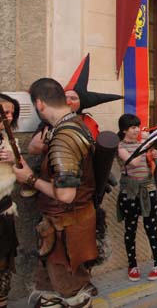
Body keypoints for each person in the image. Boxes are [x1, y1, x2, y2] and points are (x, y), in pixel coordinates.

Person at [13, 78, 97, 308]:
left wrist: (29, 178)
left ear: (39, 104)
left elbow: (66, 194)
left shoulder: (64, 137)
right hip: (60, 227)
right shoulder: (72, 125)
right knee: (50, 295)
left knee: (73, 295)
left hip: (66, 229)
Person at [116, 114, 157, 282]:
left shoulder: (143, 144)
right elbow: (134, 162)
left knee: (151, 228)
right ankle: (132, 265)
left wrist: (155, 157)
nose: (137, 130)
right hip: (129, 192)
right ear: (124, 130)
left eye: (138, 126)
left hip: (148, 189)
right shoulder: (120, 147)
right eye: (133, 127)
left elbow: (151, 165)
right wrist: (145, 144)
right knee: (130, 229)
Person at [64, 53, 123, 140]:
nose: (68, 102)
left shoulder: (89, 123)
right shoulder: (53, 120)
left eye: (73, 98)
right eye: (65, 98)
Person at [0, 94, 19, 308]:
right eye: (5, 112)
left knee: (3, 263)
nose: (10, 116)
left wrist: (15, 159)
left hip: (3, 209)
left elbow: (21, 169)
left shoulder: (8, 138)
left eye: (12, 113)